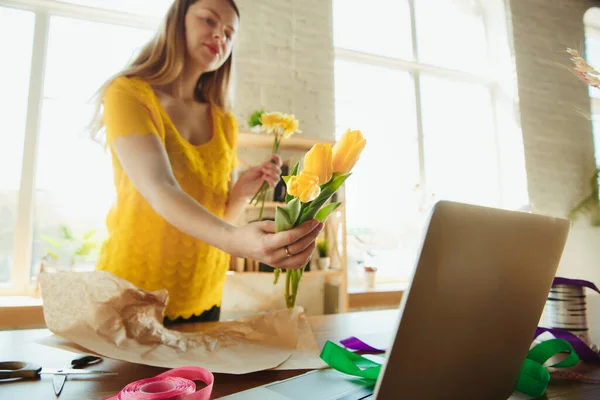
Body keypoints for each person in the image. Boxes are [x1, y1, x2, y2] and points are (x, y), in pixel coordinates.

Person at [88, 0, 323, 324]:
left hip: (205, 294)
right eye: (209, 21)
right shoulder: (128, 94)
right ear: (178, 21)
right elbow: (159, 188)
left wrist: (240, 192)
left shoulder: (222, 120)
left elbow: (220, 215)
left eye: (229, 33)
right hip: (133, 291)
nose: (220, 37)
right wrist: (238, 241)